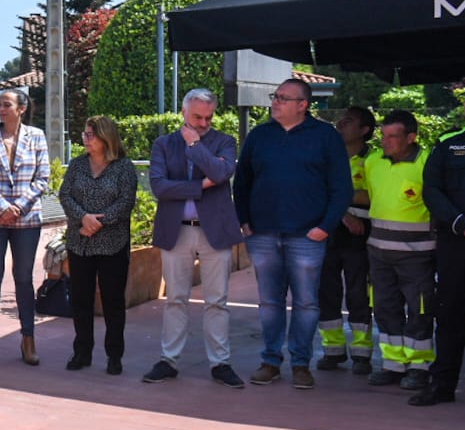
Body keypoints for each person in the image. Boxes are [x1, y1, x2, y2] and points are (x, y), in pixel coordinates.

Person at [233, 78, 352, 390]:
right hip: (263, 233)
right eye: (276, 96)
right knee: (269, 302)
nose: (276, 102)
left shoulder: (326, 136)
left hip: (307, 236)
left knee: (307, 303)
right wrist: (244, 219)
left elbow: (342, 188)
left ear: (303, 105)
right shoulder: (259, 135)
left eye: (284, 98)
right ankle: (270, 360)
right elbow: (242, 181)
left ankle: (301, 363)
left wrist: (325, 226)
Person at [143, 89, 245, 388]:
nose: (203, 123)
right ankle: (168, 360)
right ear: (184, 113)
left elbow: (222, 172)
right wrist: (200, 185)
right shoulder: (163, 143)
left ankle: (220, 363)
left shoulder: (224, 141)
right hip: (177, 231)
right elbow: (160, 187)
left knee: (218, 301)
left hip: (215, 231)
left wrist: (196, 146)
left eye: (208, 117)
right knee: (175, 299)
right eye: (197, 117)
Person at [410, 79, 465, 407]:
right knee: (450, 313)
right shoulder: (449, 142)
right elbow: (432, 190)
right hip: (458, 242)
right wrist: (462, 224)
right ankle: (442, 385)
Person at [0, 89, 51, 365]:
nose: (1, 108)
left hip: (26, 219)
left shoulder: (37, 136)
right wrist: (1, 207)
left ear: (21, 108)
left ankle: (28, 339)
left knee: (23, 278)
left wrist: (18, 206)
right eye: (0, 104)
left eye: (6, 104)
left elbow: (43, 178)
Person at [58, 116, 139, 376]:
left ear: (106, 137)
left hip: (112, 243)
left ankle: (114, 355)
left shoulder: (123, 167)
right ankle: (82, 351)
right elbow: (65, 194)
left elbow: (126, 202)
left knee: (112, 301)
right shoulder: (78, 164)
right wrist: (83, 218)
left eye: (91, 134)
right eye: (85, 133)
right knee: (80, 300)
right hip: (79, 241)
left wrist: (98, 223)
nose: (85, 138)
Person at [362, 110, 436, 390]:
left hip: (417, 254)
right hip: (378, 252)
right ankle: (393, 364)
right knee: (384, 307)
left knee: (419, 310)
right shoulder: (373, 163)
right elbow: (372, 198)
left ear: (412, 137)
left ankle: (419, 365)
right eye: (384, 135)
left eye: (393, 136)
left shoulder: (428, 163)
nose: (386, 141)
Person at [317, 107, 375, 373]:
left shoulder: (374, 159)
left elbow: (374, 195)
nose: (340, 124)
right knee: (327, 292)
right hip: (329, 231)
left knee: (358, 293)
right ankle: (333, 350)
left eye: (349, 121)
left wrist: (338, 194)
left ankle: (362, 353)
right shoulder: (329, 156)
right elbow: (316, 191)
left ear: (364, 130)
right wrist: (343, 209)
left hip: (360, 235)